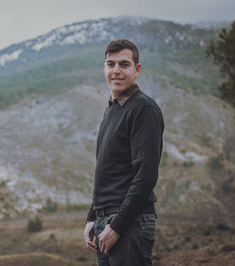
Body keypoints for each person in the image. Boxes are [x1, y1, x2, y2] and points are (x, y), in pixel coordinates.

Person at [82, 39, 164, 266]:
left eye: (124, 64)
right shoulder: (112, 109)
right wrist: (93, 216)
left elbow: (145, 175)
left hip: (129, 222)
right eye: (110, 64)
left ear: (137, 70)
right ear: (104, 68)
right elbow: (106, 171)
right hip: (104, 220)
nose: (116, 70)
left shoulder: (143, 109)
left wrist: (118, 225)